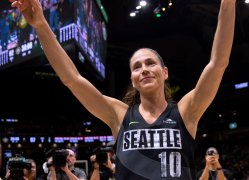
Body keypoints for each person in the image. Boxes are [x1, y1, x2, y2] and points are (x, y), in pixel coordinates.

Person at [9, 0, 236, 179]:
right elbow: (72, 79)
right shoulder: (120, 115)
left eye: (150, 63)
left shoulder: (186, 111)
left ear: (164, 72)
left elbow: (218, 63)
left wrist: (228, 3)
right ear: (133, 79)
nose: (144, 69)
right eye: (137, 67)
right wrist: (41, 25)